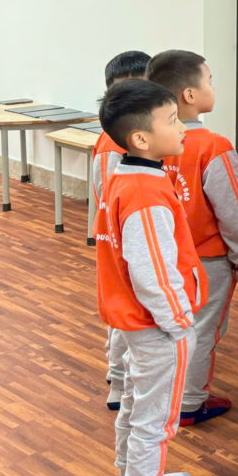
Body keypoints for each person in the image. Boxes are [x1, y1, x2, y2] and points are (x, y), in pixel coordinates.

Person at [94, 80, 206, 476]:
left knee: (137, 405)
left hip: (136, 320)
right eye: (173, 120)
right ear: (141, 139)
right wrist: (179, 323)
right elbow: (152, 271)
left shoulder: (128, 176)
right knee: (155, 420)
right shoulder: (145, 192)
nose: (182, 128)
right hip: (158, 326)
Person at [147, 50, 238, 426]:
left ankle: (168, 393)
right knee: (204, 329)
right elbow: (232, 212)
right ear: (190, 95)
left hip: (163, 257)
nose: (213, 87)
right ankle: (190, 402)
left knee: (170, 327)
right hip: (207, 262)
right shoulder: (214, 146)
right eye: (209, 81)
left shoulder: (147, 141)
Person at [93, 50, 150, 411]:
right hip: (121, 245)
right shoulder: (112, 145)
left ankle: (119, 373)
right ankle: (118, 379)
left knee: (125, 314)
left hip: (128, 241)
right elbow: (109, 201)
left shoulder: (138, 136)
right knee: (124, 314)